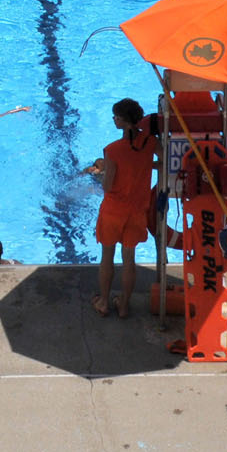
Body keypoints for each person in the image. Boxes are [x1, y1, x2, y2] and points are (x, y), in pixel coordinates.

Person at [87, 98, 154, 319]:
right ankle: (124, 305)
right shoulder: (150, 142)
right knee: (129, 260)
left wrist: (107, 172)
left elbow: (107, 185)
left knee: (107, 257)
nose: (113, 119)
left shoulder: (113, 150)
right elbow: (163, 163)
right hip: (137, 211)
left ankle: (104, 302)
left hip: (114, 210)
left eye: (116, 116)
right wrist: (143, 166)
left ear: (124, 121)